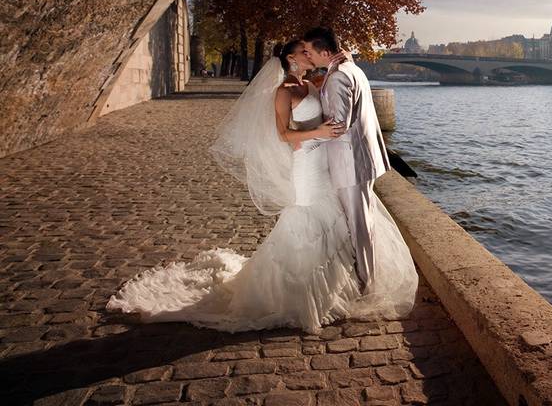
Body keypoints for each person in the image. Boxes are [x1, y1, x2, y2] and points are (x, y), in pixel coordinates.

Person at [105, 39, 418, 333]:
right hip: (307, 163)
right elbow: (284, 135)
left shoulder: (312, 84)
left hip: (323, 162)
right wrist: (317, 132)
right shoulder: (283, 92)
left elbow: (337, 87)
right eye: (304, 52)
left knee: (336, 222)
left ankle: (347, 283)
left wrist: (342, 61)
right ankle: (305, 293)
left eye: (311, 51)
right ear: (291, 59)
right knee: (310, 223)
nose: (311, 56)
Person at [301, 27, 390, 293]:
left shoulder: (339, 77)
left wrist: (304, 143)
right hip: (360, 158)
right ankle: (365, 275)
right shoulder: (352, 70)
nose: (307, 56)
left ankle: (367, 283)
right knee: (363, 220)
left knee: (359, 223)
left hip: (350, 161)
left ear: (325, 52)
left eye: (310, 52)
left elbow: (338, 125)